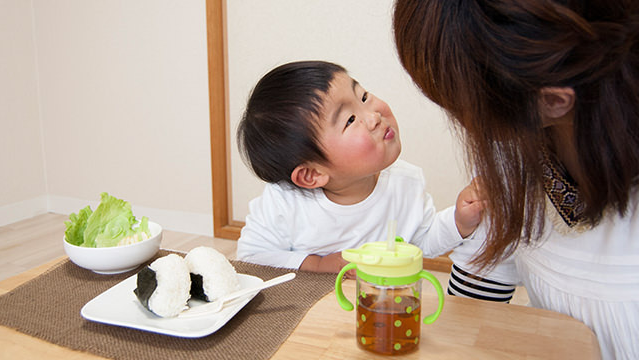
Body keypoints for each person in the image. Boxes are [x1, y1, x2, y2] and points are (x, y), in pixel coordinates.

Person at [393, 1, 639, 358]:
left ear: (553, 101)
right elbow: (477, 300)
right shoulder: (514, 157)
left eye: (462, 105)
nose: (464, 121)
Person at [235, 60, 518, 302]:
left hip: (382, 306)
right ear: (311, 175)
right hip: (313, 310)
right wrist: (318, 264)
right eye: (349, 120)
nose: (373, 116)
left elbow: (423, 240)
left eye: (364, 96)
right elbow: (250, 257)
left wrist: (459, 222)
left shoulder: (404, 183)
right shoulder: (285, 202)